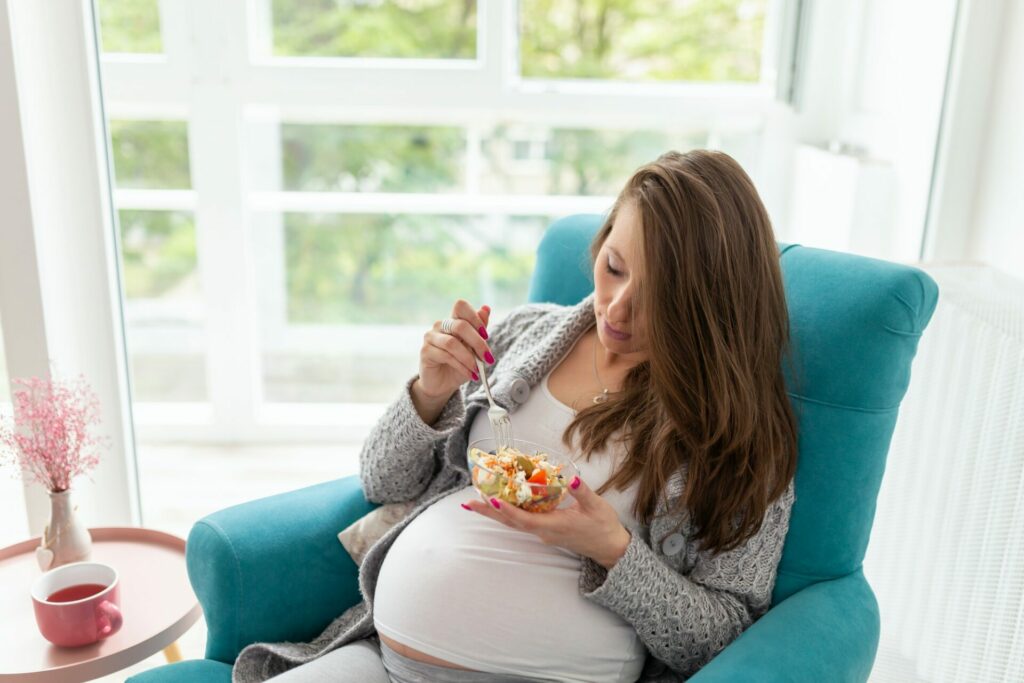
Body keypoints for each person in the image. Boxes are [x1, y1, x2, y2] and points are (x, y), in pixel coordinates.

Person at [232, 150, 799, 683]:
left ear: (709, 302)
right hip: (383, 659)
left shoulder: (739, 437)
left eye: (661, 296)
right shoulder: (523, 335)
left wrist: (614, 550)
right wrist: (430, 394)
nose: (618, 308)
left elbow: (721, 641)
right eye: (615, 267)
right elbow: (383, 481)